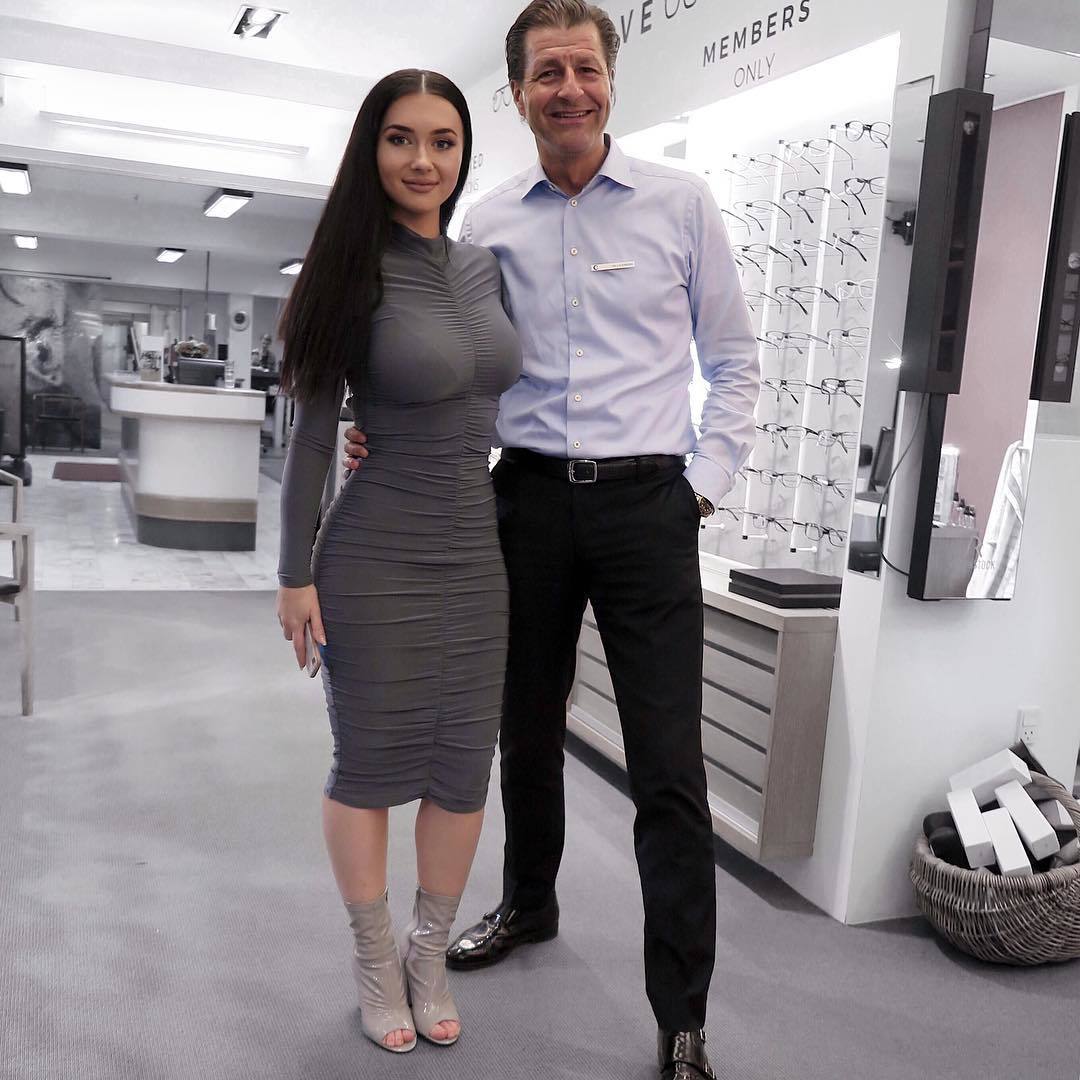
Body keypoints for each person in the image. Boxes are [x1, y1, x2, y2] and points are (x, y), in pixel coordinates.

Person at [344, 3, 759, 1077]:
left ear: (611, 80)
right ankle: (530, 903)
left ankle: (682, 1014)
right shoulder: (487, 224)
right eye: (545, 74)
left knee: (668, 767)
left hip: (649, 507)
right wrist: (382, 429)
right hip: (522, 501)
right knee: (521, 731)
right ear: (518, 93)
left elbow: (735, 362)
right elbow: (456, 359)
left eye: (583, 68)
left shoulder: (680, 203)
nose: (567, 89)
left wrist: (700, 489)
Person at [275, 69, 521, 1055]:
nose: (424, 160)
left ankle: (428, 956)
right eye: (401, 138)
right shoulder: (345, 272)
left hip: (476, 552)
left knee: (463, 769)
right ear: (370, 150)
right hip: (374, 556)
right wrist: (293, 574)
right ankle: (376, 961)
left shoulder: (485, 269)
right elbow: (309, 437)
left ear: (463, 154)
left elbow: (491, 398)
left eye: (444, 141)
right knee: (370, 767)